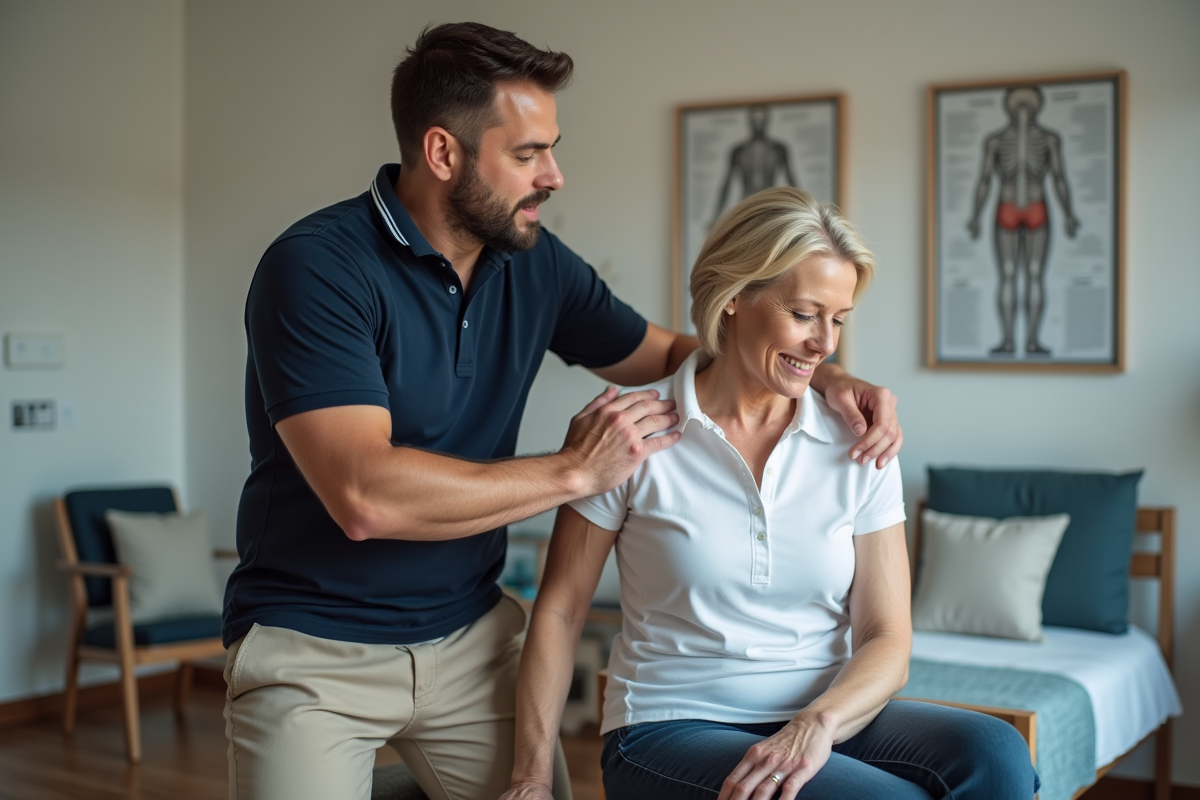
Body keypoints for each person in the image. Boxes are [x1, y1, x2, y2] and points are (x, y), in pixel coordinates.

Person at [222, 22, 903, 800]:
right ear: (443, 153)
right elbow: (365, 497)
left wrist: (822, 377)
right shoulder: (317, 268)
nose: (554, 175)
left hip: (470, 638)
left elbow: (675, 352)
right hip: (314, 642)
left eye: (551, 148)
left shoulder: (533, 263)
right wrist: (575, 470)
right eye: (527, 154)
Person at [501, 188, 1038, 800]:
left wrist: (818, 722)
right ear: (734, 296)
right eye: (805, 314)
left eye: (839, 319)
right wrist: (530, 779)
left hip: (823, 717)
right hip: (671, 726)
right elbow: (561, 610)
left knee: (997, 752)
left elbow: (888, 638)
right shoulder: (631, 433)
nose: (825, 344)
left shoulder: (859, 439)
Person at [966, 85, 1080, 357]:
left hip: (1030, 206)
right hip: (1014, 206)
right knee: (1014, 275)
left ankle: (1029, 340)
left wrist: (1068, 214)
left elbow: (1059, 179)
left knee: (1030, 275)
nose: (1023, 112)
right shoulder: (997, 141)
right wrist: (975, 216)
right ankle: (1011, 340)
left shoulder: (1047, 139)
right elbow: (984, 181)